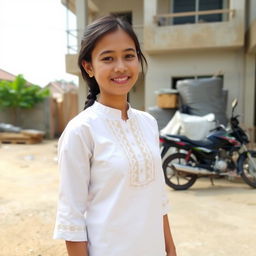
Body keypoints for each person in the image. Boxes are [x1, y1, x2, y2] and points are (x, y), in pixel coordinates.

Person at [53, 15, 177, 256]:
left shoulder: (148, 123)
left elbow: (158, 199)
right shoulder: (81, 131)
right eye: (108, 58)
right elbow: (71, 219)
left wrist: (170, 249)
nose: (121, 66)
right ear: (89, 66)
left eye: (129, 56)